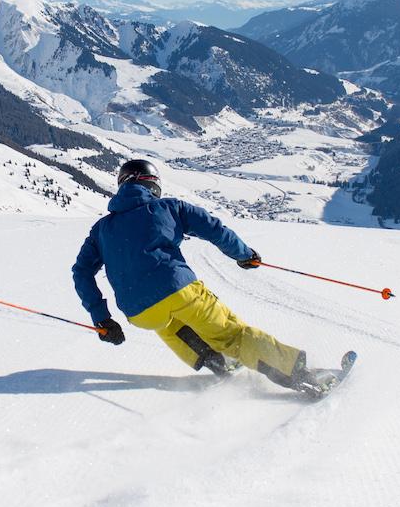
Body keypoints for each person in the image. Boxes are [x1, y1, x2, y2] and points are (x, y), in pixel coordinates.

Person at [72, 158, 319, 390]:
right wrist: (244, 254)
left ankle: (217, 362)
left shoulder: (100, 229)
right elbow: (213, 229)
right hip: (179, 290)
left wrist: (101, 318)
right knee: (232, 335)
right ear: (151, 183)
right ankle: (299, 373)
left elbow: (81, 272)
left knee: (169, 324)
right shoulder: (169, 207)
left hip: (139, 313)